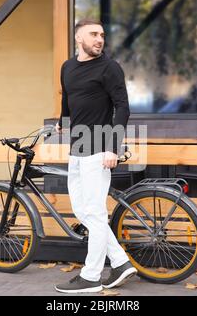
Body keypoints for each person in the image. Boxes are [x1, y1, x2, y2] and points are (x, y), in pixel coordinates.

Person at [53, 19, 137, 294]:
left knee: (96, 214)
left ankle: (91, 277)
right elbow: (68, 98)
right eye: (94, 34)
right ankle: (122, 263)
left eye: (102, 35)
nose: (100, 39)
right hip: (77, 147)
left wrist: (113, 147)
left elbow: (122, 108)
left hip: (99, 147)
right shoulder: (68, 67)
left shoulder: (110, 68)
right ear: (79, 38)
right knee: (82, 210)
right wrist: (60, 121)